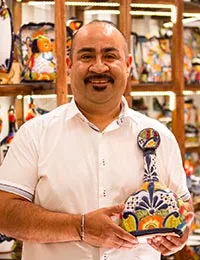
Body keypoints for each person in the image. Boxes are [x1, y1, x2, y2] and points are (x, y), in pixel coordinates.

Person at [0, 20, 193, 260]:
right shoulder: (34, 134)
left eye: (110, 56)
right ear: (70, 65)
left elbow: (184, 208)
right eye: (87, 56)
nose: (98, 67)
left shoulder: (160, 137)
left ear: (128, 65)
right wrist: (79, 227)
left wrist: (178, 236)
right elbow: (4, 213)